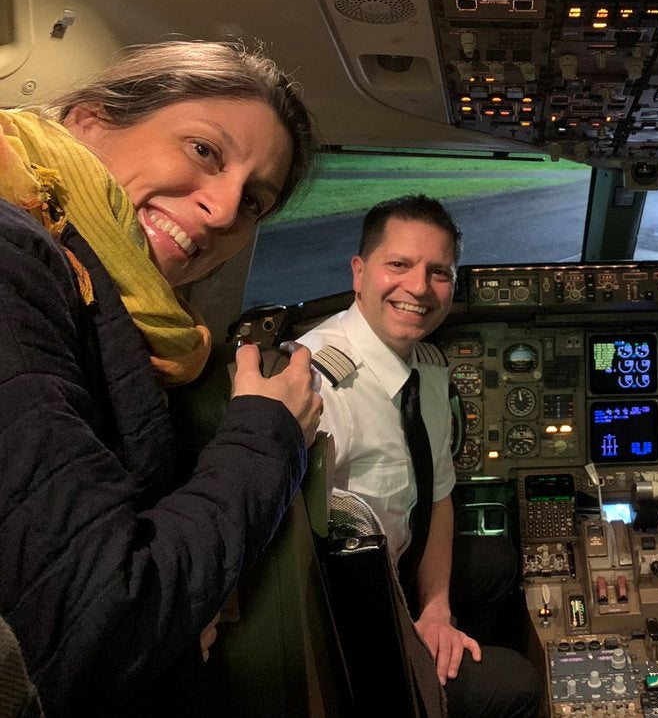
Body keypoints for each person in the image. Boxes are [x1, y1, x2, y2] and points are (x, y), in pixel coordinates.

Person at [0, 41, 323, 716]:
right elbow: (103, 622)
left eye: (255, 201)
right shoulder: (16, 260)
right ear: (90, 122)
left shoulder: (118, 319)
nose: (227, 210)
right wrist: (269, 440)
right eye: (205, 150)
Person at [298, 195, 540, 718]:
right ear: (359, 272)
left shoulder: (427, 369)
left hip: (394, 571)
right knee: (518, 685)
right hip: (347, 611)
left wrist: (435, 608)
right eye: (399, 265)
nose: (418, 288)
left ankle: (452, 651)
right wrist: (405, 630)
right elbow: (306, 574)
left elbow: (439, 494)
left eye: (439, 272)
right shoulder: (320, 383)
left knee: (498, 559)